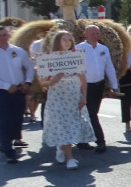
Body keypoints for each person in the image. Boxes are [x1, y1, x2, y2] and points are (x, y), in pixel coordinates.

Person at [40, 30, 95, 170]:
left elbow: (83, 80)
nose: (67, 42)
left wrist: (84, 97)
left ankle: (62, 146)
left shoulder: (76, 57)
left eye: (69, 40)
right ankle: (70, 158)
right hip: (57, 97)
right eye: (64, 39)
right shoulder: (48, 59)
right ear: (58, 41)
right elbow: (42, 82)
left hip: (73, 95)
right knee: (62, 124)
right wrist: (52, 81)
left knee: (71, 124)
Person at [0, 25, 34, 162]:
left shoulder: (18, 51)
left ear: (8, 35)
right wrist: (6, 86)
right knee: (3, 119)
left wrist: (28, 82)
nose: (2, 38)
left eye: (4, 35)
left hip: (18, 90)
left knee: (17, 117)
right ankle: (6, 147)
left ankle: (11, 140)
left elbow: (29, 67)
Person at [76, 24, 119, 154]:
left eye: (97, 33)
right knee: (90, 114)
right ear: (85, 34)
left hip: (98, 85)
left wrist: (114, 85)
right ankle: (100, 141)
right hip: (84, 86)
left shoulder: (103, 49)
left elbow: (109, 67)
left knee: (90, 113)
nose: (95, 36)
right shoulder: (78, 49)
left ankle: (82, 140)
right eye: (92, 33)